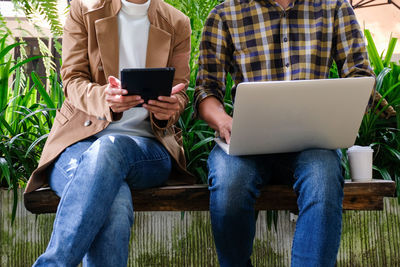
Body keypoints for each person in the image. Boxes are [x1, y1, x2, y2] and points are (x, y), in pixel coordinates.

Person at [194, 0, 375, 266]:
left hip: (313, 143)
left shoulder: (334, 7)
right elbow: (205, 90)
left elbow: (360, 76)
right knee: (229, 182)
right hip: (248, 143)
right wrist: (222, 120)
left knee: (323, 178)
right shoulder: (225, 13)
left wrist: (352, 101)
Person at [25, 0, 193, 266]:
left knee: (110, 147)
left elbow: (180, 92)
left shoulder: (177, 22)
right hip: (80, 140)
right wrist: (104, 98)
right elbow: (72, 79)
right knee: (114, 202)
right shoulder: (85, 9)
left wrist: (168, 110)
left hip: (148, 149)